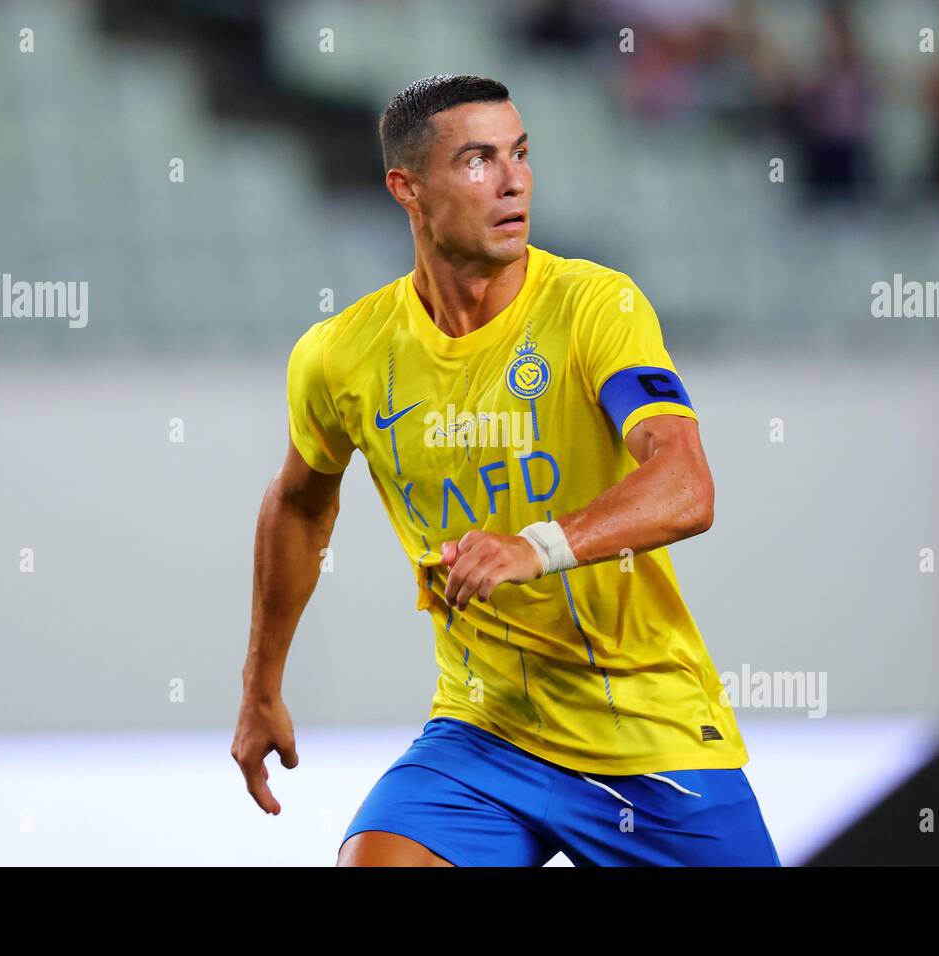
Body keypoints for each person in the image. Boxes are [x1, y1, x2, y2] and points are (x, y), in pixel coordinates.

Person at [231, 74, 780, 867]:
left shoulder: (596, 307)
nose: (515, 179)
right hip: (483, 734)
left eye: (521, 154)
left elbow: (687, 485)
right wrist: (260, 684)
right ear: (407, 189)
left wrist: (538, 546)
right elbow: (298, 506)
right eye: (480, 159)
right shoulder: (340, 356)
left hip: (643, 732)